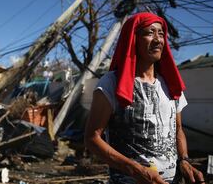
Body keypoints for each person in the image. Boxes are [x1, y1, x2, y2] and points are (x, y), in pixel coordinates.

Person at [84, 12, 205, 184]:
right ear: (133, 39)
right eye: (150, 33)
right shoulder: (111, 84)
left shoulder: (171, 84)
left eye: (161, 34)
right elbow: (92, 138)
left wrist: (184, 161)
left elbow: (178, 129)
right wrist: (136, 170)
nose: (158, 40)